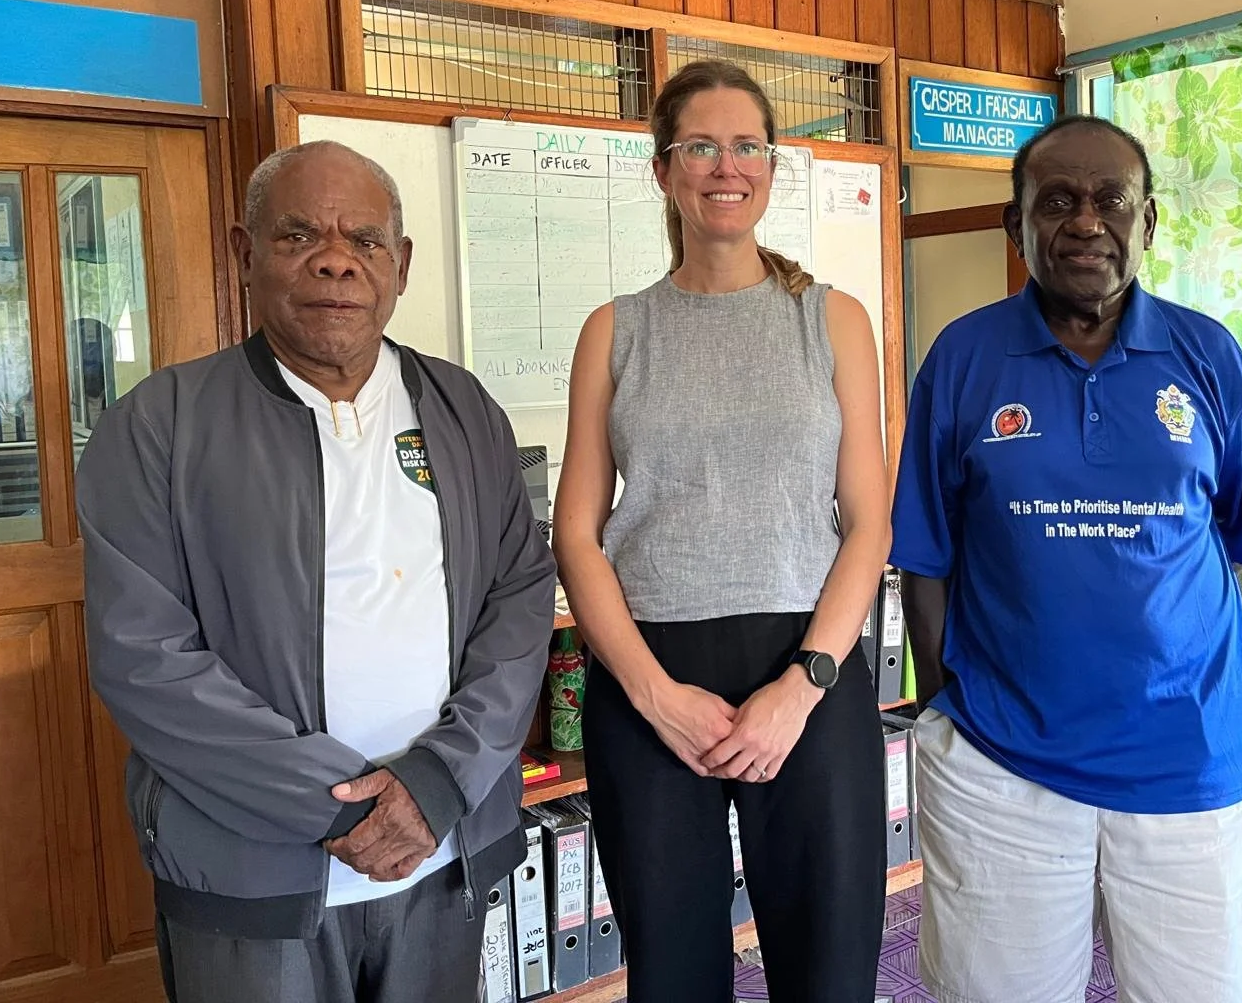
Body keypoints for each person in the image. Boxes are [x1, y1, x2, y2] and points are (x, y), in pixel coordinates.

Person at [77, 141, 557, 1003]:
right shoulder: (160, 425)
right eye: (299, 235)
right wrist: (344, 809)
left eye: (364, 240)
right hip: (251, 875)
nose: (336, 259)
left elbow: (519, 600)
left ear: (400, 265)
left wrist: (439, 782)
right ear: (244, 253)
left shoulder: (465, 411)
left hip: (441, 853)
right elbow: (143, 659)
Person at [890, 115, 1242, 1003]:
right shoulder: (961, 357)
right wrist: (941, 705)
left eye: (1112, 200)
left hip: (1186, 754)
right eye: (1057, 201)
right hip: (1002, 761)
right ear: (1015, 223)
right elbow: (925, 553)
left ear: (1149, 222)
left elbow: (1241, 534)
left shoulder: (1210, 356)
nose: (1085, 222)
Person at [553, 59, 892, 1003]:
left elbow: (868, 523)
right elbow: (577, 534)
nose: (724, 166)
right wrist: (656, 696)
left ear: (772, 170)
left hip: (810, 674)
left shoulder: (832, 320)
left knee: (829, 972)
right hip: (650, 674)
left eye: (746, 146)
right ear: (664, 171)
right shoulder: (614, 330)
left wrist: (806, 683)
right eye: (699, 146)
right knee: (673, 977)